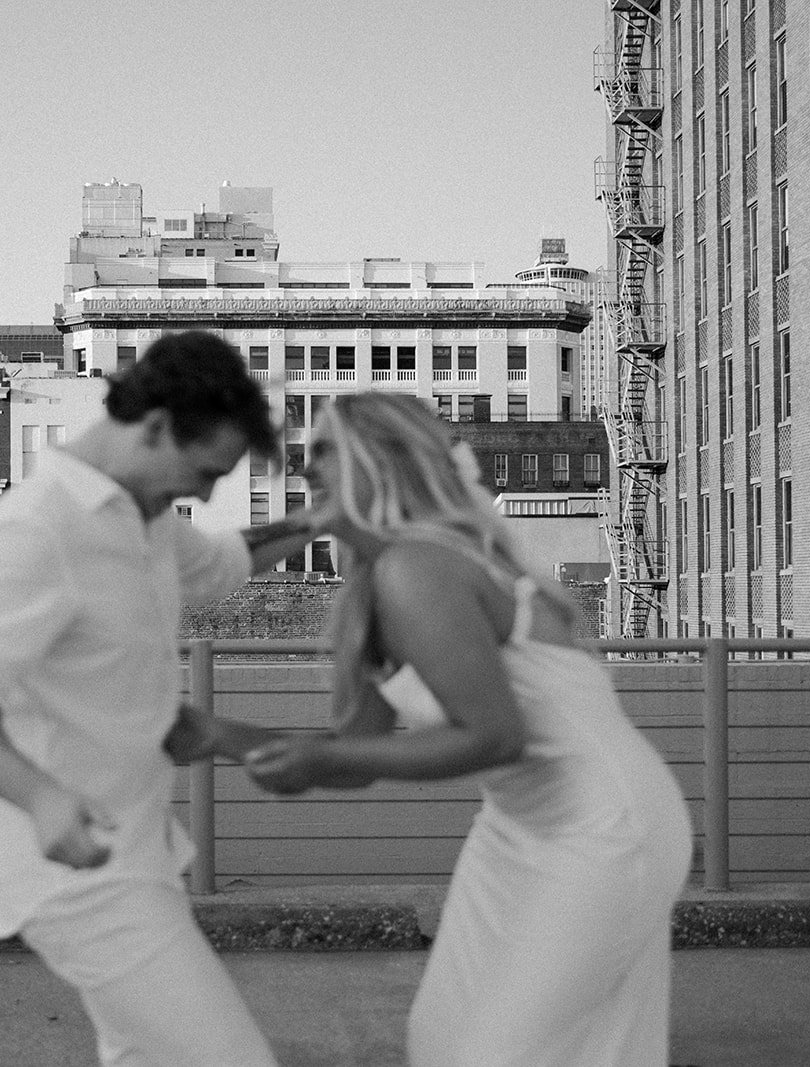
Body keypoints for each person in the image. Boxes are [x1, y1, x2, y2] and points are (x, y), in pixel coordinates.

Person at [0, 331, 310, 1067]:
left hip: (140, 849)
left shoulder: (140, 516)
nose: (207, 493)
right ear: (152, 427)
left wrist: (321, 523)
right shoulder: (38, 528)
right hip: (75, 875)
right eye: (204, 470)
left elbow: (218, 564)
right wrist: (42, 796)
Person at [244, 392, 693, 1067]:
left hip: (601, 826)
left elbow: (493, 735)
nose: (308, 467)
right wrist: (212, 736)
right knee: (447, 1034)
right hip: (516, 825)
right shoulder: (378, 579)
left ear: (384, 459)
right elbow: (356, 754)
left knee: (498, 1051)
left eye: (329, 449)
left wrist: (309, 760)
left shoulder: (421, 566)